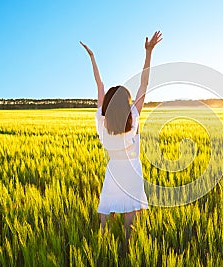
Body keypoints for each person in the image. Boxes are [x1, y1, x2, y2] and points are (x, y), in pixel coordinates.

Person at [80, 31, 162, 243]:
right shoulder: (133, 117)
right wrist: (149, 53)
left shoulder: (102, 121)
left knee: (107, 206)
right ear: (126, 103)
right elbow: (144, 85)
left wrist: (92, 57)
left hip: (114, 169)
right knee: (129, 212)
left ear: (107, 104)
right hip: (132, 169)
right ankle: (126, 246)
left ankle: (103, 242)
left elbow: (99, 85)